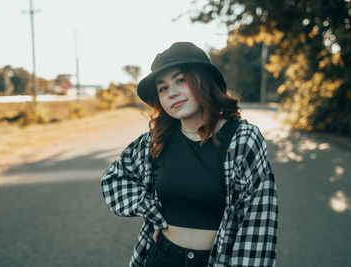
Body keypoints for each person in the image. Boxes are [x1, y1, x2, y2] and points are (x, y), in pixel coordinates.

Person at [101, 42, 278, 267]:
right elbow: (114, 178)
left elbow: (258, 223)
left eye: (180, 80)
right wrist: (151, 211)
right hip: (162, 257)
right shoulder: (156, 140)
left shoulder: (243, 139)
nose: (172, 93)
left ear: (203, 80)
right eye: (162, 87)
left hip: (215, 260)